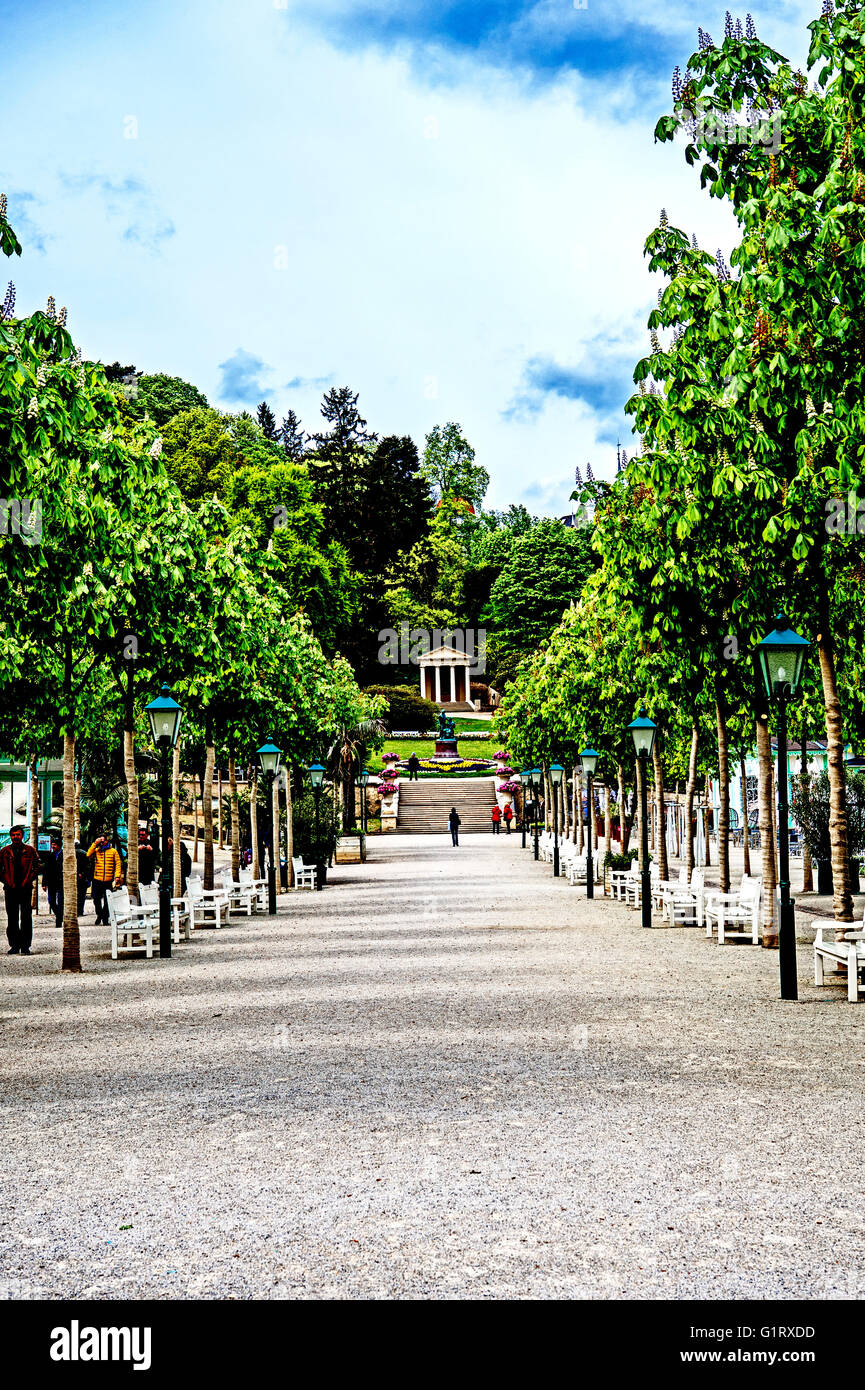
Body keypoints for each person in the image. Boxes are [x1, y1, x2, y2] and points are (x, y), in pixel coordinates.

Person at [0, 825, 41, 954]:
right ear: (10, 836)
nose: (15, 837)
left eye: (18, 834)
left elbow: (38, 866)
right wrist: (6, 880)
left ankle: (25, 945)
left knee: (26, 917)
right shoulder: (5, 851)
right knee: (12, 918)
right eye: (13, 835)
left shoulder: (30, 850)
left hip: (25, 888)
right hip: (10, 889)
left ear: (22, 836)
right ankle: (14, 945)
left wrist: (29, 879)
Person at [87, 832, 123, 926]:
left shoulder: (113, 851)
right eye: (100, 840)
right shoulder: (97, 850)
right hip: (97, 879)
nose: (101, 842)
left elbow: (118, 864)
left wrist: (117, 875)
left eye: (103, 840)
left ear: (107, 841)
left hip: (108, 880)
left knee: (108, 900)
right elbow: (88, 854)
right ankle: (100, 915)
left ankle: (105, 917)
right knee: (96, 899)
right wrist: (95, 843)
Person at [42, 833, 63, 918]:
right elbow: (46, 870)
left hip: (61, 881)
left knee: (61, 900)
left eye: (55, 845)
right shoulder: (50, 856)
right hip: (51, 882)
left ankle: (59, 918)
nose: (53, 846)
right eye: (52, 845)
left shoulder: (64, 855)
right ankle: (59, 915)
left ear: (59, 845)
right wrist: (44, 883)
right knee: (51, 901)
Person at [74, 841, 91, 917]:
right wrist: (83, 874)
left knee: (76, 895)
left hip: (74, 876)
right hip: (83, 878)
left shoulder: (69, 854)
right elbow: (88, 866)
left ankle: (76, 910)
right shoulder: (84, 853)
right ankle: (80, 911)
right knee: (81, 895)